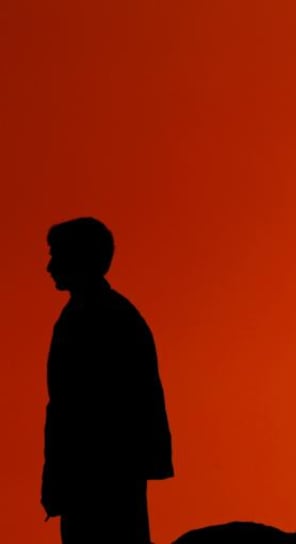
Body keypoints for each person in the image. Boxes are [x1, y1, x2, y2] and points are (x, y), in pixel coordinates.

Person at [42, 216, 174, 544]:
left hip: (104, 474)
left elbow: (98, 407)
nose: (49, 266)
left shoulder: (106, 317)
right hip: (87, 475)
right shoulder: (86, 314)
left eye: (56, 255)